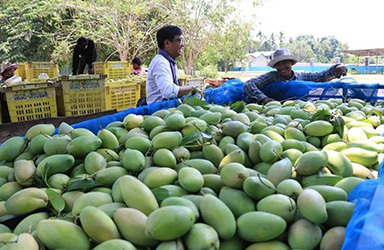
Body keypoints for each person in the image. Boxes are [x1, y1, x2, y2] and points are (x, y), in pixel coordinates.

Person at [243, 48, 348, 104]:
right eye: (278, 64)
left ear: (291, 63)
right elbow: (249, 84)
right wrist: (264, 99)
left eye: (285, 63)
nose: (282, 67)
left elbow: (321, 76)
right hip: (273, 111)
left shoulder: (301, 76)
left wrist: (336, 68)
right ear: (275, 67)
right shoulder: (272, 77)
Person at [145, 25, 197, 105]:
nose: (182, 45)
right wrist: (192, 88)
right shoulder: (160, 62)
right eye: (179, 40)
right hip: (158, 111)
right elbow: (169, 92)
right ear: (167, 43)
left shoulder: (170, 62)